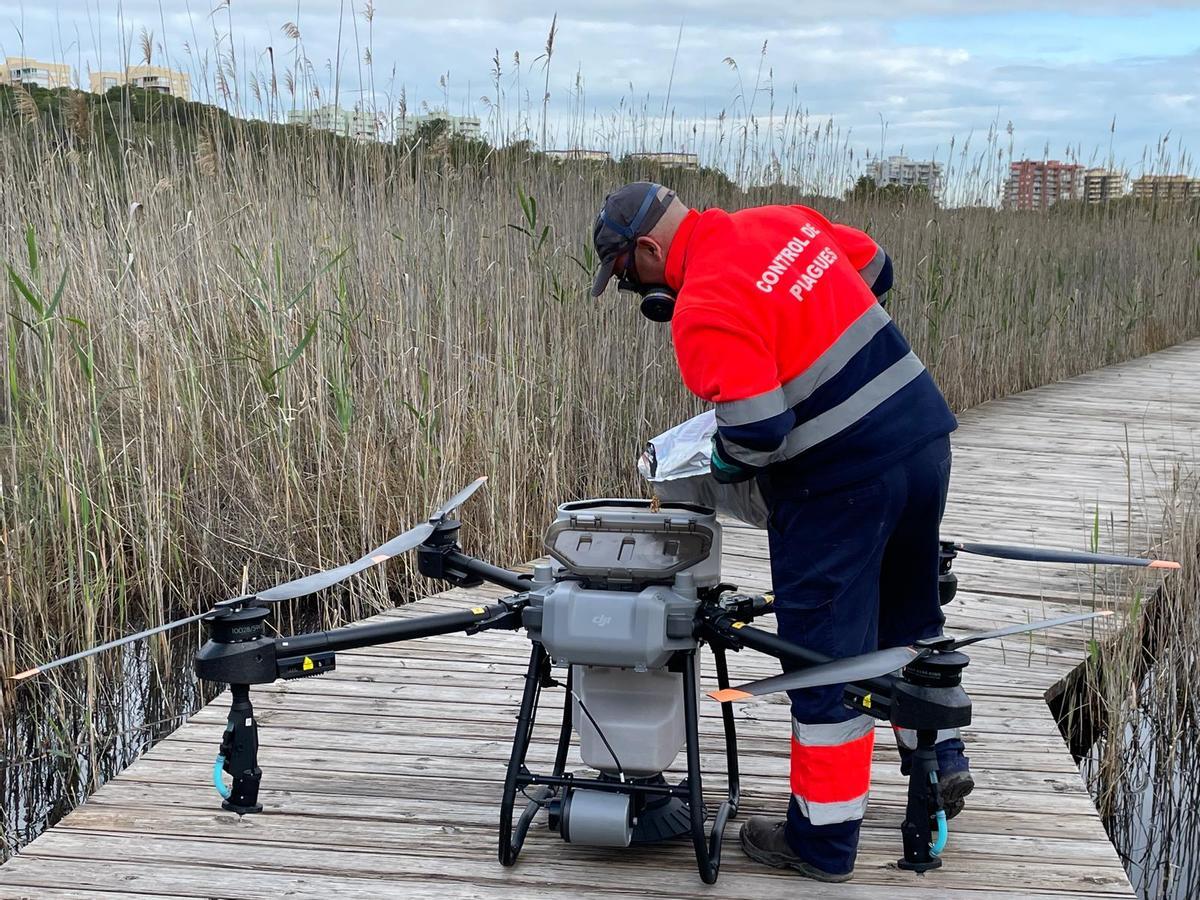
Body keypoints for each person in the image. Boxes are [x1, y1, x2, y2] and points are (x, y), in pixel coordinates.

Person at [589, 181, 973, 882]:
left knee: (824, 666)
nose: (630, 293)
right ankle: (940, 763)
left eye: (625, 277)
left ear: (648, 250)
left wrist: (717, 460)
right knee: (909, 622)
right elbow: (876, 268)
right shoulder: (778, 220)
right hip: (922, 440)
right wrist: (808, 332)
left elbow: (759, 432)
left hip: (842, 488)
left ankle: (822, 843)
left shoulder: (701, 304)